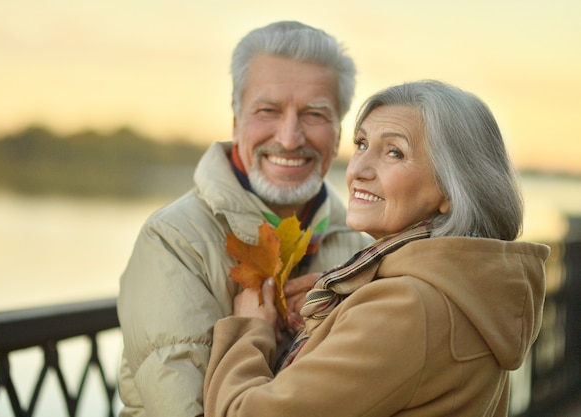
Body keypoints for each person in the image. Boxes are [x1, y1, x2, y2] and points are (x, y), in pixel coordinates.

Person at [203, 80, 550, 417]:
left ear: (451, 189)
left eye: (394, 152)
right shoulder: (458, 289)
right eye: (361, 144)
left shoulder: (408, 309)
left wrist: (249, 329)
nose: (358, 170)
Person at [117, 21, 370, 416]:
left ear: (338, 132)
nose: (289, 138)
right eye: (267, 110)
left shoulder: (363, 248)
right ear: (236, 122)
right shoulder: (173, 241)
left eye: (314, 114)